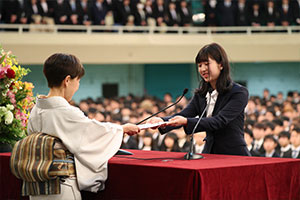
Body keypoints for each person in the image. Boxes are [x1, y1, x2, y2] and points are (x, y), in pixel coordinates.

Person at [26, 53, 140, 199]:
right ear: (67, 80)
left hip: (36, 185)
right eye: (78, 81)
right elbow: (91, 135)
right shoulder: (66, 112)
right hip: (61, 185)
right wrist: (121, 129)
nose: (77, 86)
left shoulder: (35, 110)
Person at [147, 43, 251, 156]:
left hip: (233, 153)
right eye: (200, 65)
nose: (203, 69)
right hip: (210, 152)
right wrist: (163, 122)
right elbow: (185, 114)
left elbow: (219, 121)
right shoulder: (201, 94)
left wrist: (186, 122)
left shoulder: (238, 92)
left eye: (207, 64)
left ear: (221, 65)